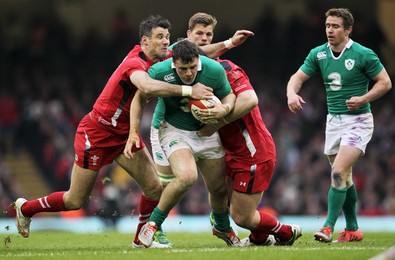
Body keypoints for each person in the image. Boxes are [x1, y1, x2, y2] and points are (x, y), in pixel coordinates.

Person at [13, 15, 214, 249]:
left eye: (167, 37)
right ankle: (26, 208)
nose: (165, 42)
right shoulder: (134, 63)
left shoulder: (164, 57)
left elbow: (199, 51)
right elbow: (147, 86)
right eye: (160, 37)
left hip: (124, 135)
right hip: (97, 133)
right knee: (74, 200)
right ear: (144, 41)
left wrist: (229, 44)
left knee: (153, 187)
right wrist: (189, 92)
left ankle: (141, 239)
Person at [148, 12, 302, 246]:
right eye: (199, 34)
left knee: (241, 214)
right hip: (207, 141)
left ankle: (285, 231)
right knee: (206, 190)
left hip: (251, 150)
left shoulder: (225, 69)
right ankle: (247, 234)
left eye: (208, 35)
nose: (204, 39)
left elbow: (250, 99)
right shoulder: (181, 58)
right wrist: (229, 43)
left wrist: (217, 121)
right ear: (188, 36)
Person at [286, 8, 392, 243]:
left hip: (359, 121)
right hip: (333, 121)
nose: (330, 30)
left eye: (335, 26)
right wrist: (291, 94)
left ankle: (327, 226)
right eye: (327, 26)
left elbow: (385, 82)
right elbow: (297, 77)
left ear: (348, 29)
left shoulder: (364, 54)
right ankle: (353, 229)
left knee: (337, 172)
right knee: (345, 177)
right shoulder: (319, 54)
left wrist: (364, 99)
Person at [124, 40, 237, 248]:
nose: (188, 73)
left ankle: (223, 227)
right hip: (175, 131)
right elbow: (139, 98)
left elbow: (229, 95)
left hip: (207, 132)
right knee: (186, 177)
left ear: (199, 61)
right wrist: (133, 131)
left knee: (219, 189)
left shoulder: (213, 69)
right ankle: (153, 225)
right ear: (173, 63)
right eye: (182, 69)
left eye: (192, 67)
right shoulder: (160, 71)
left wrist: (225, 108)